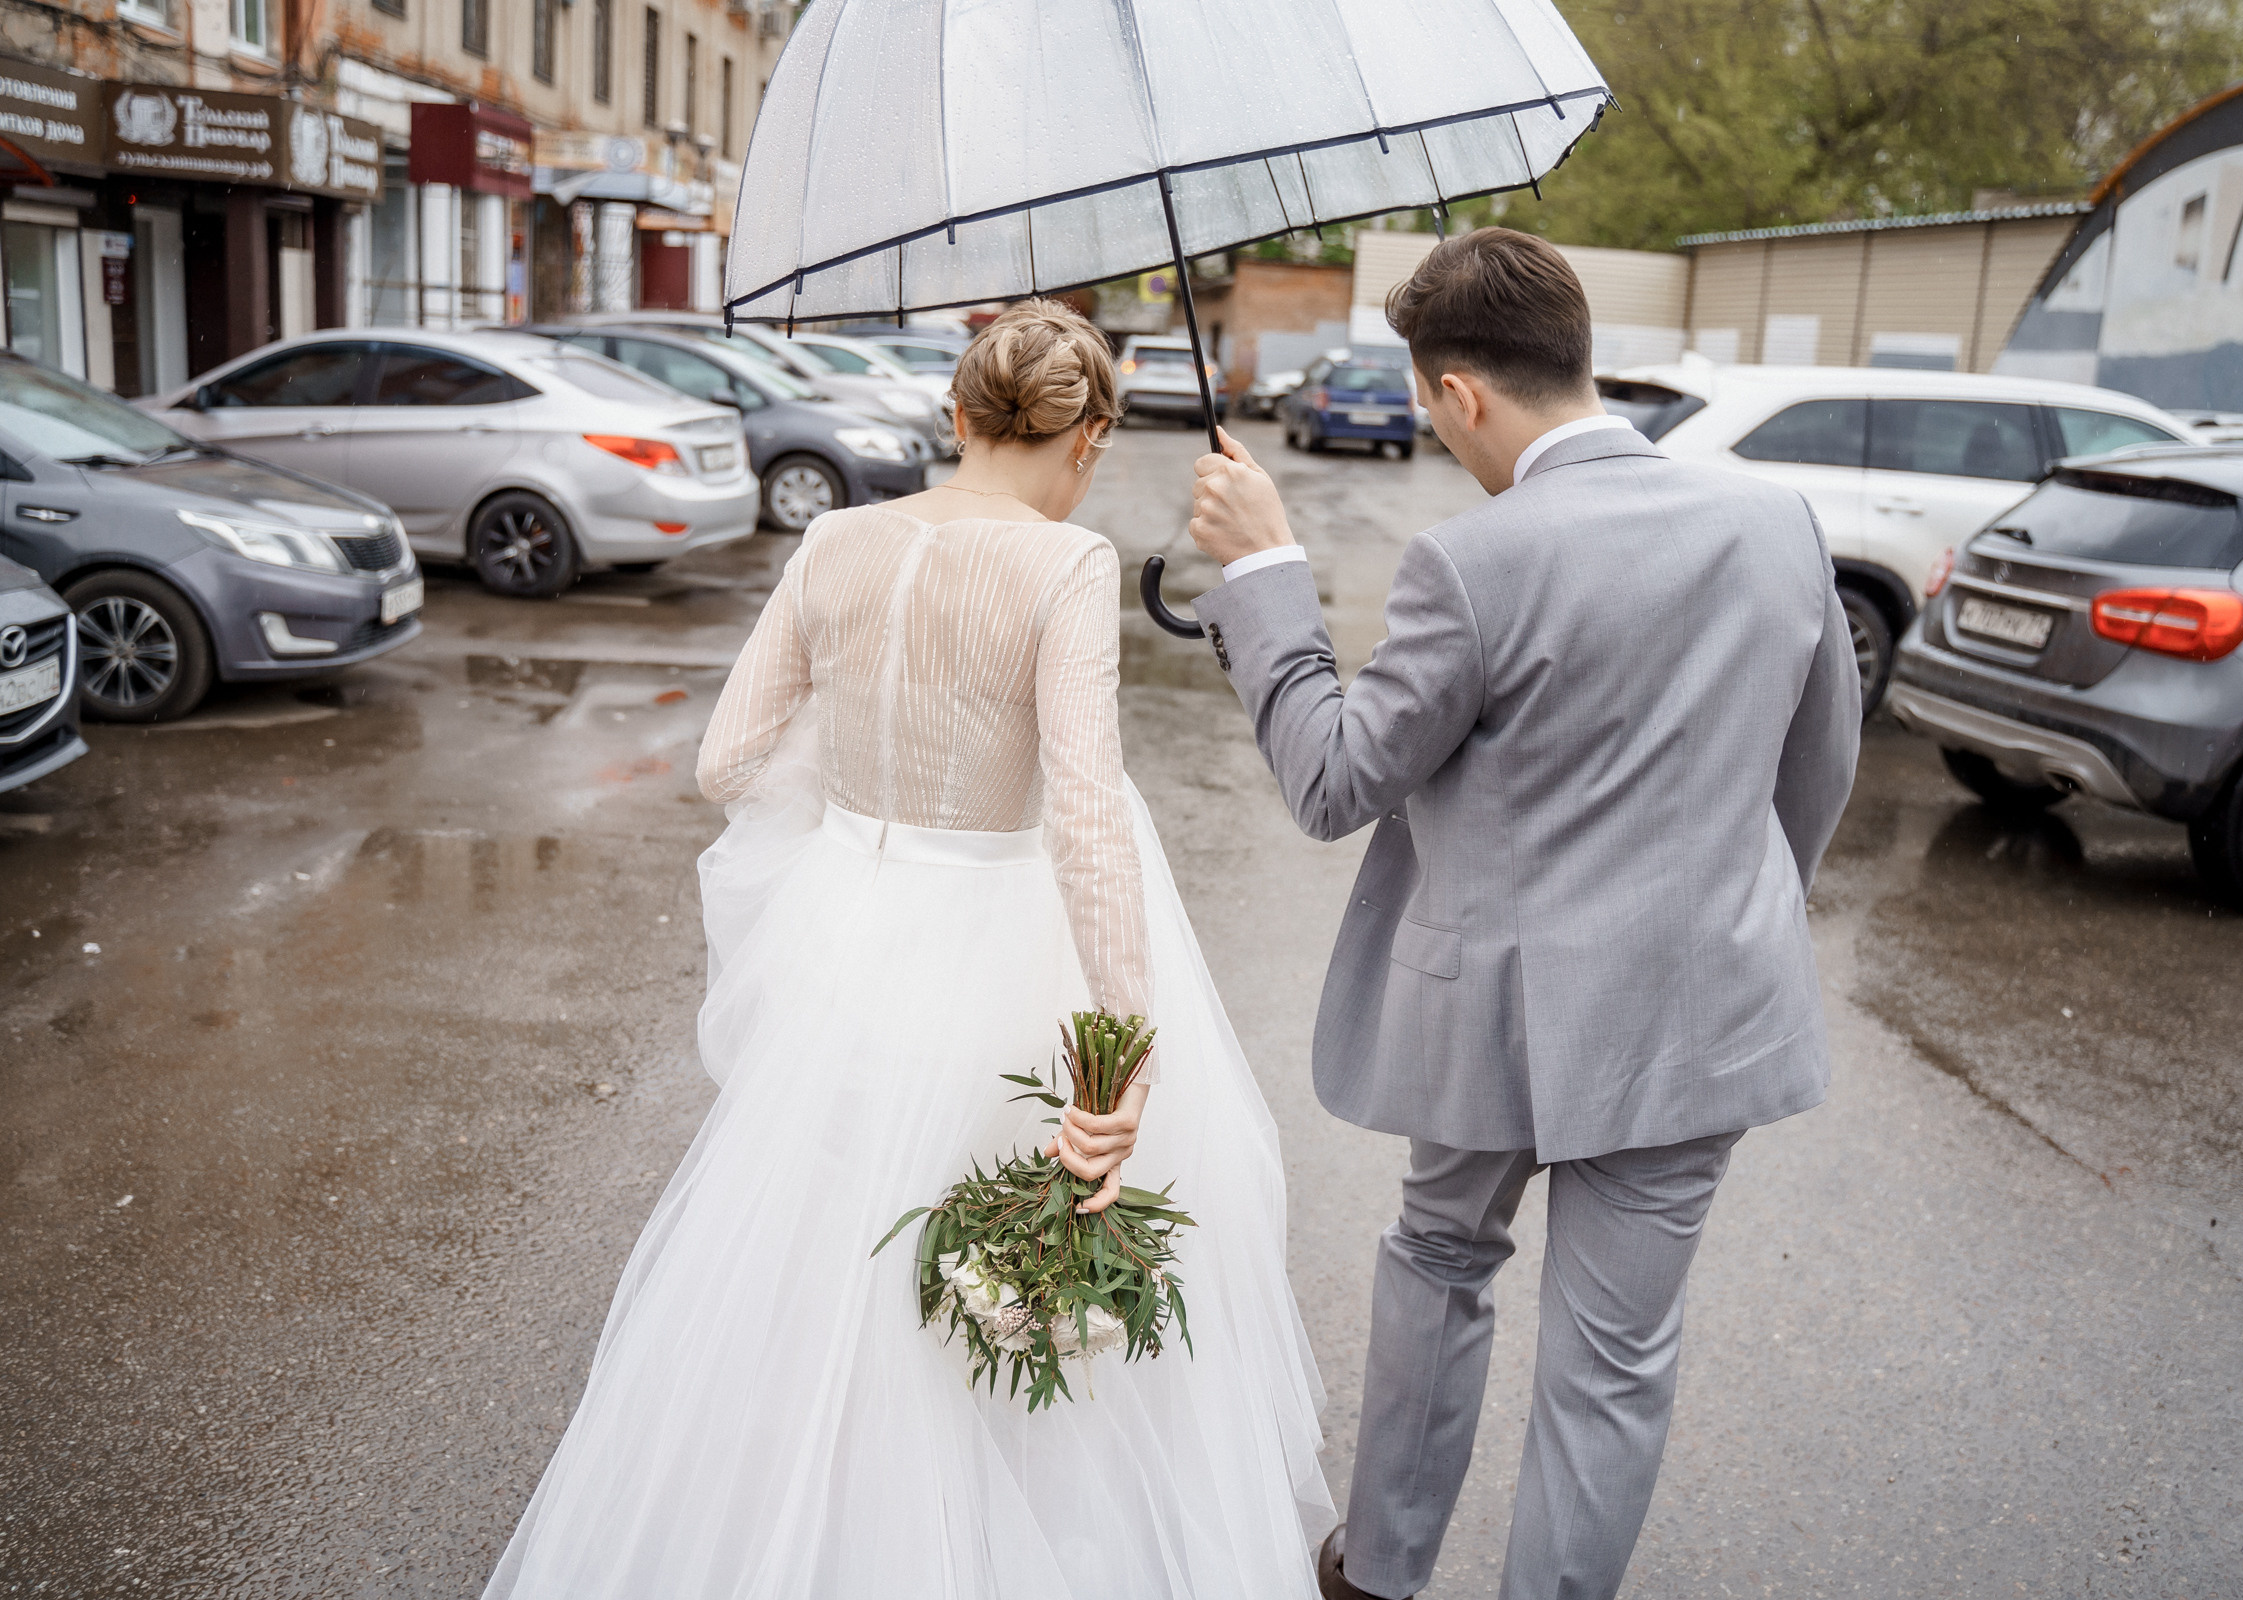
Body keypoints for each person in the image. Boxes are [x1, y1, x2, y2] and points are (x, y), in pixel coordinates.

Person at [484, 301, 1333, 1599]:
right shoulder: (1065, 563)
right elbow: (1086, 815)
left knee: (832, 1248)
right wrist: (1128, 1038)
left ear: (954, 415)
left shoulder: (834, 540)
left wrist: (865, 804)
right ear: (1090, 436)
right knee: (993, 1261)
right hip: (995, 949)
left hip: (839, 936)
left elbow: (726, 762)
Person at [1185, 228, 1861, 1600]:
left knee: (1439, 1256)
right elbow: (1819, 770)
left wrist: (1266, 576)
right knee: (1614, 1369)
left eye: (1434, 414)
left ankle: (1380, 1572)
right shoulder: (1779, 524)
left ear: (1461, 394)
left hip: (1491, 1014)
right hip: (1700, 1016)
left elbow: (1334, 781)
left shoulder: (1468, 562)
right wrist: (1731, 928)